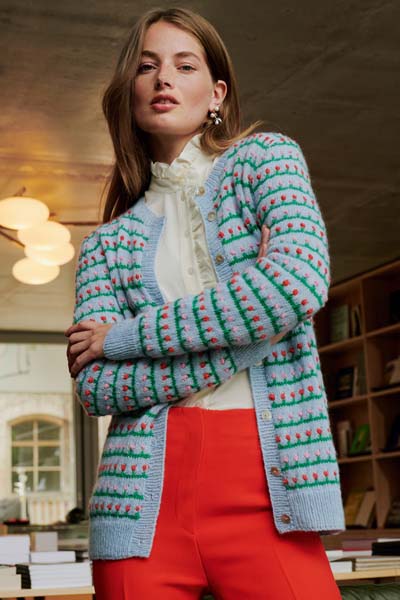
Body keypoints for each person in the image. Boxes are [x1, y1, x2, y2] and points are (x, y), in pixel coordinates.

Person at [65, 7, 345, 599]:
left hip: (267, 489)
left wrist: (125, 338)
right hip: (139, 503)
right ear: (129, 93)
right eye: (147, 67)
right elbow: (96, 387)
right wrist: (257, 326)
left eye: (184, 65)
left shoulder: (266, 160)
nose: (164, 78)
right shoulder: (105, 244)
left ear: (216, 92)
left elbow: (296, 283)